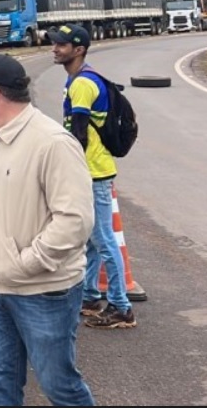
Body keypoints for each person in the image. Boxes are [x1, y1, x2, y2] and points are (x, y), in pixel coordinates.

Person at [0, 52, 96, 406]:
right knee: (0, 383)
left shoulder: (52, 142)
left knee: (59, 386)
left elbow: (75, 221)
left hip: (42, 291)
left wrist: (24, 263)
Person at [47, 23, 136, 329]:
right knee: (89, 238)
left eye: (61, 45)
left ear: (79, 49)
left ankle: (121, 306)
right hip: (94, 169)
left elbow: (79, 133)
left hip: (93, 171)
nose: (55, 48)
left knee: (102, 239)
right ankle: (89, 295)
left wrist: (65, 166)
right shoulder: (79, 79)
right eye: (55, 43)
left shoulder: (82, 84)